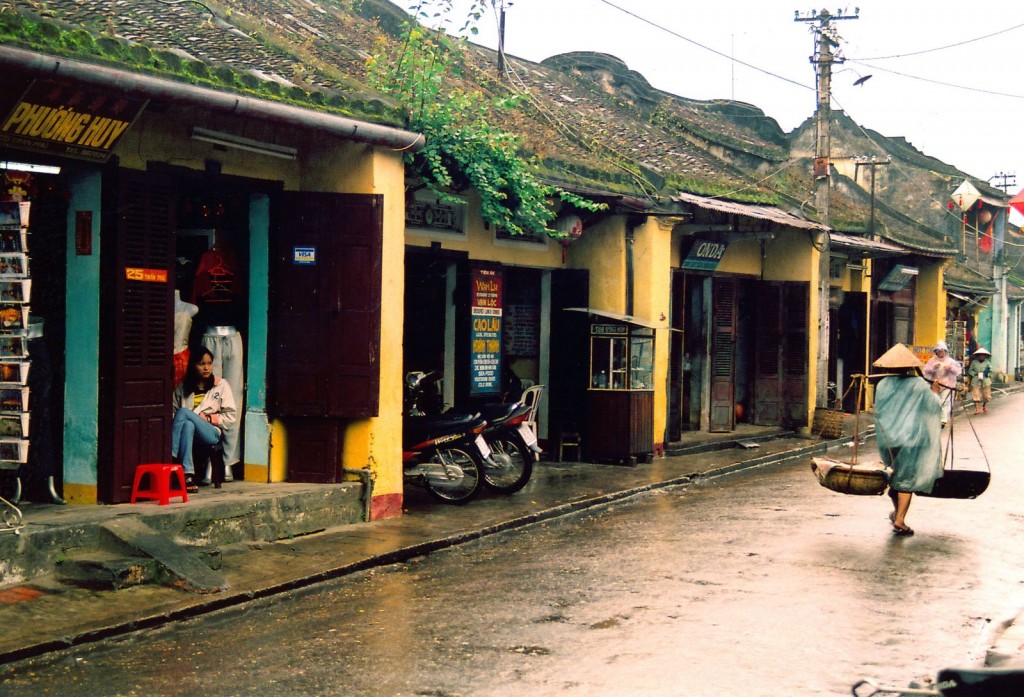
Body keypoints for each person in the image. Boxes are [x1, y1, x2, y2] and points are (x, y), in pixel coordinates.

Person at [872, 343, 944, 537]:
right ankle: (900, 520)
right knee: (906, 481)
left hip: (888, 440)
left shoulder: (882, 385)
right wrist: (935, 393)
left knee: (896, 478)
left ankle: (897, 512)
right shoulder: (919, 385)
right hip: (911, 440)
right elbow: (932, 408)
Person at [171, 346, 237, 492]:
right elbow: (172, 412)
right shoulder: (183, 387)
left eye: (209, 363)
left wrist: (208, 418)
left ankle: (172, 455)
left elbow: (231, 416)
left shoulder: (221, 385)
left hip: (210, 433)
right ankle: (188, 475)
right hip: (188, 432)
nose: (206, 368)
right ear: (193, 365)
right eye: (201, 364)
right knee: (188, 424)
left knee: (183, 412)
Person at [921, 340, 962, 426]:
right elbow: (925, 371)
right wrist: (933, 368)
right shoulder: (932, 361)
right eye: (938, 351)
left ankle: (943, 419)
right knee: (936, 401)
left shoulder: (950, 362)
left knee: (945, 401)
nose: (940, 352)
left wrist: (950, 368)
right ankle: (936, 417)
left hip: (948, 385)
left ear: (945, 351)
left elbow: (958, 371)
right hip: (936, 385)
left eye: (941, 351)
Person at [967, 346, 993, 414]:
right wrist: (975, 374)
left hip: (985, 381)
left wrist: (987, 373)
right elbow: (970, 370)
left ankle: (984, 406)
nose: (981, 356)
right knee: (975, 395)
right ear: (978, 356)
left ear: (985, 356)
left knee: (986, 396)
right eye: (980, 355)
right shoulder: (974, 362)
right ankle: (977, 409)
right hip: (976, 380)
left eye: (983, 355)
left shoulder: (987, 363)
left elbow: (991, 370)